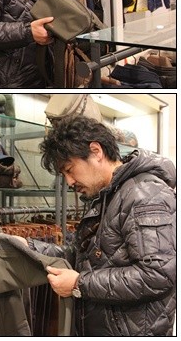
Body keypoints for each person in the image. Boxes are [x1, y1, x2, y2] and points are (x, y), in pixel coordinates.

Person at [28, 115, 176, 336]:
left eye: (69, 169)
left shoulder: (145, 194)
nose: (69, 181)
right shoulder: (107, 195)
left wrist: (79, 284)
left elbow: (158, 275)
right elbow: (85, 258)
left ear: (96, 151)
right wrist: (29, 247)